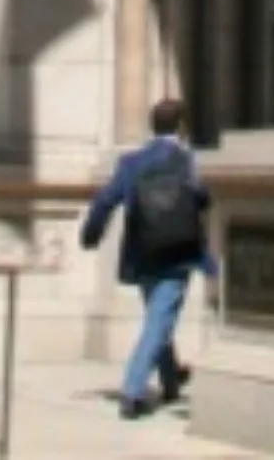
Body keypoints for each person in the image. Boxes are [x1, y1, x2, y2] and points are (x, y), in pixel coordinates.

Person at [80, 95, 215, 420]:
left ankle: (170, 380)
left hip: (142, 253)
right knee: (159, 320)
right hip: (178, 252)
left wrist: (91, 234)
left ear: (152, 126)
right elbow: (202, 199)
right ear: (181, 127)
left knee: (159, 316)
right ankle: (133, 389)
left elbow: (106, 200)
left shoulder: (131, 162)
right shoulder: (188, 160)